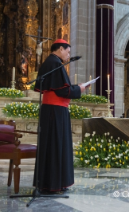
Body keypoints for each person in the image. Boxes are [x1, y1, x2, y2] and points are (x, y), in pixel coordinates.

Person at [33, 39, 88, 193]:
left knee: (53, 146)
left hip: (52, 111)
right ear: (61, 49)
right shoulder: (55, 63)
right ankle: (54, 184)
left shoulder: (50, 62)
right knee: (56, 146)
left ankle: (50, 183)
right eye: (68, 51)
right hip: (55, 112)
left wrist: (75, 88)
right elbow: (63, 91)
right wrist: (80, 89)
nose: (68, 55)